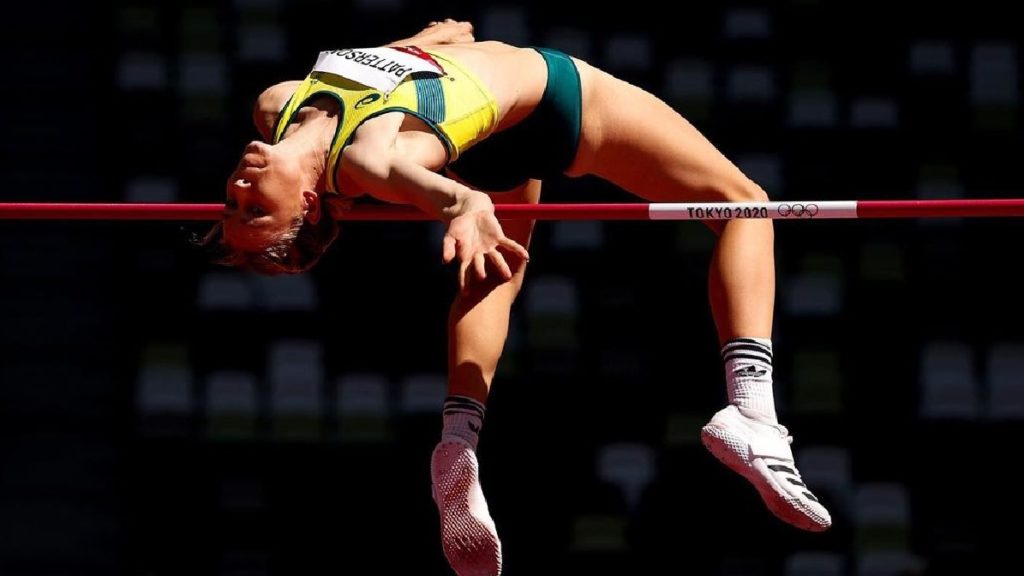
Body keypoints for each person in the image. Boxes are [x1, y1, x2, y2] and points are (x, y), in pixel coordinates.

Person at [204, 18, 831, 576]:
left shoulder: (276, 104)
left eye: (232, 204)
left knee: (496, 276)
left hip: (488, 137)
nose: (240, 188)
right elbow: (443, 190)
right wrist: (464, 209)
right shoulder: (371, 160)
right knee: (745, 204)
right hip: (555, 101)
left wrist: (421, 42)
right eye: (256, 209)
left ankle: (457, 443)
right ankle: (752, 411)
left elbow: (378, 78)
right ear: (310, 204)